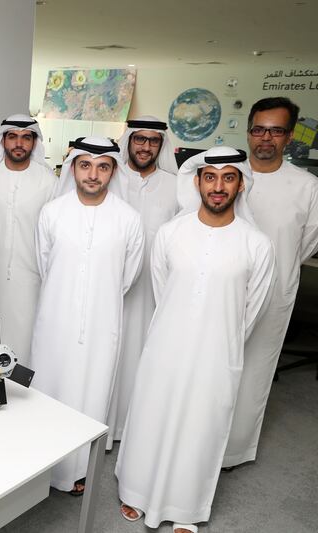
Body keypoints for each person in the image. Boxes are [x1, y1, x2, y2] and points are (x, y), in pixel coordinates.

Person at [116, 147, 275, 533]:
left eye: (228, 177)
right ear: (197, 182)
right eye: (210, 177)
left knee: (200, 426)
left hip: (217, 354)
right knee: (152, 416)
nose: (218, 186)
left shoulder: (257, 244)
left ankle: (185, 507)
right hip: (166, 347)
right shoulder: (172, 233)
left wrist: (220, 341)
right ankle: (136, 492)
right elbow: (160, 289)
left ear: (240, 185)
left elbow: (251, 311)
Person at [31, 137, 144, 495]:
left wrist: (94, 301)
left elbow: (127, 277)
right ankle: (43, 469)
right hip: (55, 322)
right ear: (74, 167)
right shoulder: (52, 212)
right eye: (85, 165)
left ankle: (78, 471)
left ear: (113, 171)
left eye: (103, 166)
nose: (93, 174)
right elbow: (44, 264)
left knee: (92, 395)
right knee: (50, 391)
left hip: (101, 324)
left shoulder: (129, 219)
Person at [224, 97, 318, 468]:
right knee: (212, 367)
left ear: (289, 136)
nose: (266, 138)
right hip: (222, 292)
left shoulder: (307, 186)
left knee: (255, 372)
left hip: (274, 294)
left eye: (276, 130)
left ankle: (233, 451)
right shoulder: (225, 174)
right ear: (248, 132)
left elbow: (306, 241)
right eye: (259, 129)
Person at [106, 116, 179, 451]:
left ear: (161, 145)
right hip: (109, 287)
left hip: (152, 291)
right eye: (139, 139)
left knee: (141, 359)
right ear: (129, 141)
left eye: (153, 141)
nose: (146, 147)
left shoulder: (175, 185)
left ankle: (131, 428)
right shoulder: (110, 177)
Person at [0, 115, 57, 360]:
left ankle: (24, 394)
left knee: (27, 344)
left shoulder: (49, 181)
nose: (19, 143)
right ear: (3, 140)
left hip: (31, 281)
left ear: (34, 142)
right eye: (13, 137)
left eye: (26, 138)